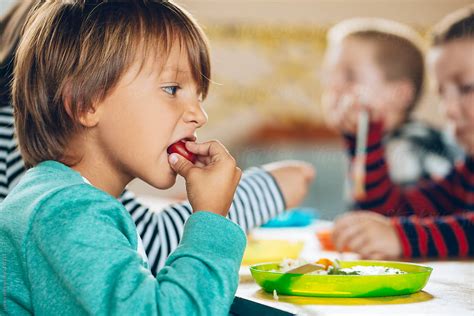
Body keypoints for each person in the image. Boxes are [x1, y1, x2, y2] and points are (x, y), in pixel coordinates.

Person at [0, 1, 314, 314]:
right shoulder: (67, 211)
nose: (199, 115)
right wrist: (212, 219)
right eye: (171, 89)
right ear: (85, 104)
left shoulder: (52, 196)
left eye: (199, 96)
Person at [331, 9, 474, 259]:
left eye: (466, 87)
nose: (448, 109)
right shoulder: (466, 175)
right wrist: (364, 138)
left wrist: (402, 237)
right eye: (442, 93)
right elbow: (396, 213)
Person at [322, 18, 460, 190]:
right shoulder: (373, 144)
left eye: (350, 76)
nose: (332, 86)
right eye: (329, 75)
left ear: (400, 94)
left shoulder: (406, 149)